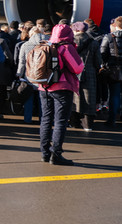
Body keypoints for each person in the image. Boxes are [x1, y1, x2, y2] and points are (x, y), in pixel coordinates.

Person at [38, 24, 84, 166]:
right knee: (60, 121)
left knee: (46, 119)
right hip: (62, 88)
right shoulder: (66, 47)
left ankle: (45, 153)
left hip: (44, 86)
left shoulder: (46, 45)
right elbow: (77, 68)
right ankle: (56, 154)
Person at [71, 21, 102, 131]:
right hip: (89, 72)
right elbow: (98, 61)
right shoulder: (93, 42)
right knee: (89, 97)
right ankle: (87, 125)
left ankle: (74, 122)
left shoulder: (71, 42)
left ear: (76, 30)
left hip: (73, 72)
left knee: (75, 97)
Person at [101, 16, 122, 127]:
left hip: (114, 68)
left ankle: (112, 119)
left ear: (115, 25)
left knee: (114, 94)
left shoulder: (109, 37)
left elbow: (103, 53)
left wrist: (105, 64)